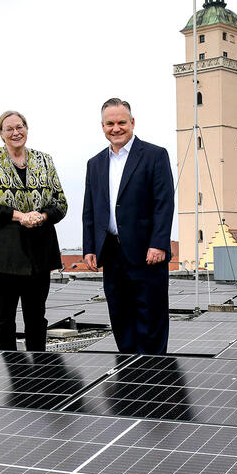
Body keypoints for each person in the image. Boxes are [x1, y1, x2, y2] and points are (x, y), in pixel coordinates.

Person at [82, 98, 174, 354]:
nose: (116, 128)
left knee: (150, 319)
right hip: (111, 253)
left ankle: (153, 379)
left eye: (121, 122)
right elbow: (90, 209)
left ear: (132, 123)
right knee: (120, 317)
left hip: (147, 254)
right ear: (102, 126)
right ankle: (130, 379)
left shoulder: (155, 155)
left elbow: (163, 204)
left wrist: (158, 243)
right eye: (110, 123)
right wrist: (90, 247)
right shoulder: (95, 163)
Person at [0, 110, 68, 351]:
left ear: (26, 129)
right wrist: (20, 216)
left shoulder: (44, 160)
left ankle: (39, 373)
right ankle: (12, 376)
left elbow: (61, 203)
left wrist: (42, 215)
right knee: (4, 318)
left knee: (37, 316)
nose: (16, 132)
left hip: (39, 249)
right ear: (1, 133)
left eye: (20, 127)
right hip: (4, 251)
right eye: (10, 129)